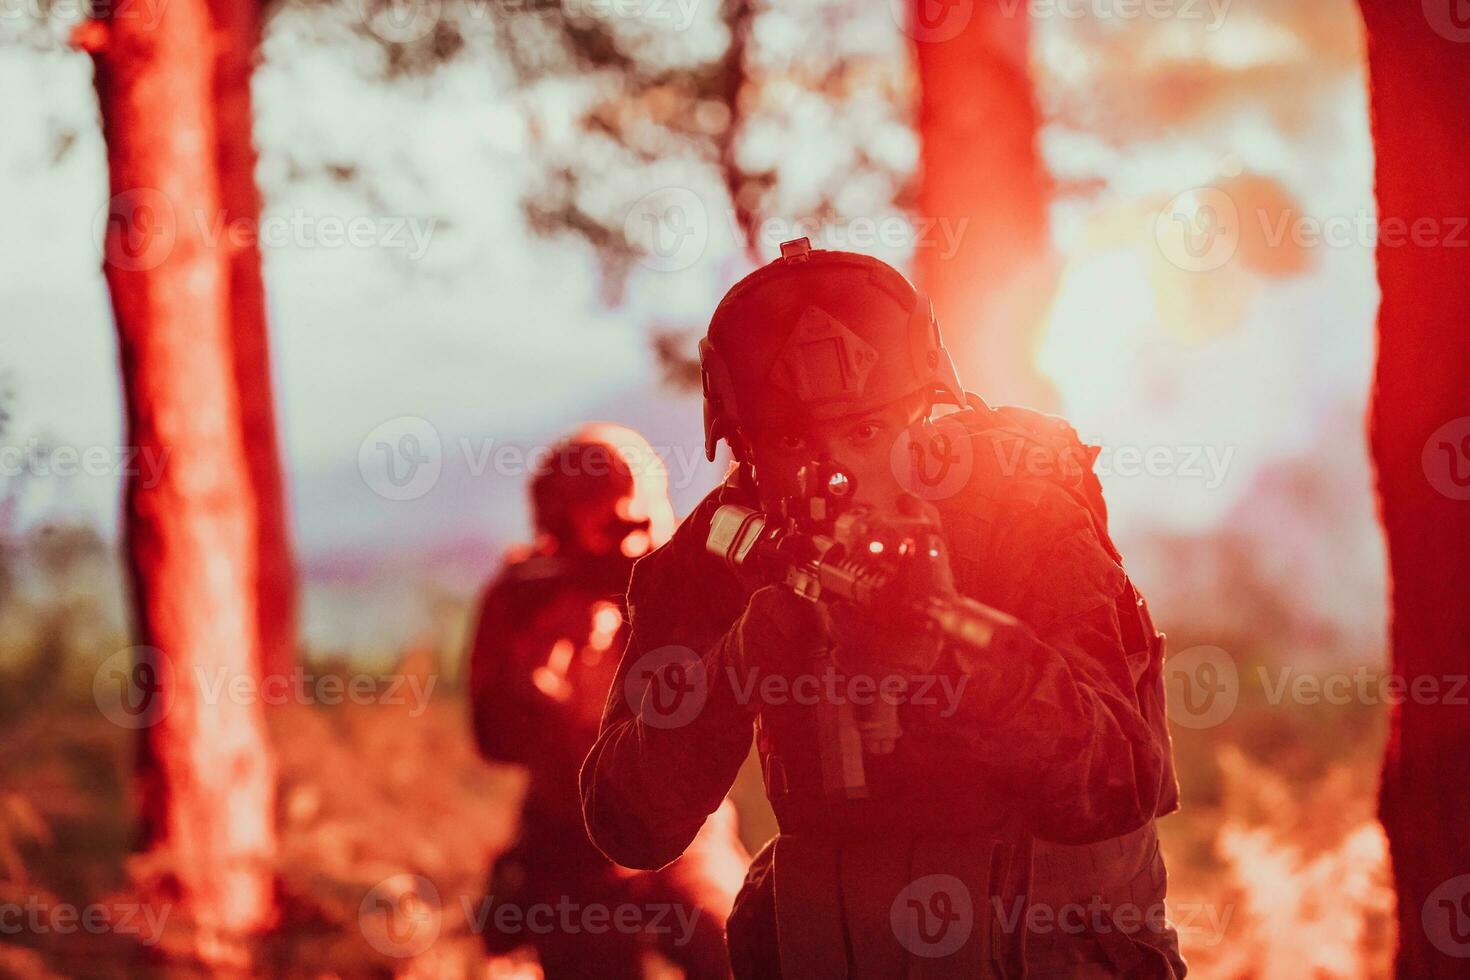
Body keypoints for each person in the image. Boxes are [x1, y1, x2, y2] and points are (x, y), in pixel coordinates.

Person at [580, 240, 1187, 978]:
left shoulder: (1023, 517)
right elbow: (627, 823)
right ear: (744, 449)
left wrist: (951, 648)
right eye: (794, 442)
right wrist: (737, 667)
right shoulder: (726, 546)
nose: (836, 472)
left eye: (867, 432)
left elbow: (1119, 780)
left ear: (924, 420)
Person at [467, 424, 746, 979]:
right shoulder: (525, 600)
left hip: (686, 832)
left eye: (640, 523)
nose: (629, 545)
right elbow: (493, 739)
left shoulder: (678, 587)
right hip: (568, 842)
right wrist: (543, 670)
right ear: (560, 528)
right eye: (609, 526)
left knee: (737, 949)